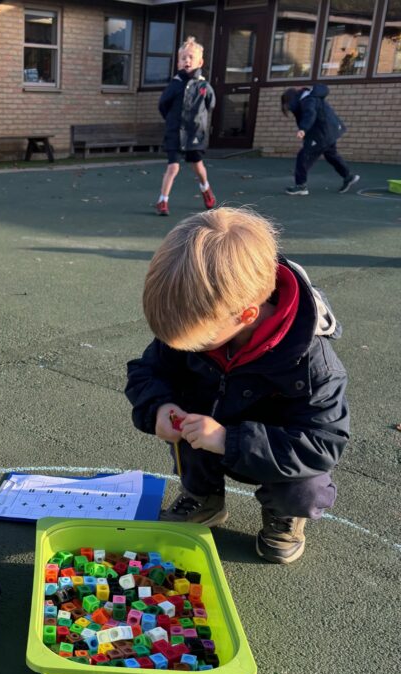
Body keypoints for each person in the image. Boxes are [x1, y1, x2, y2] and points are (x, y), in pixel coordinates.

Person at [125, 207, 349, 564]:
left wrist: (229, 440)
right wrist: (158, 406)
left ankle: (284, 515)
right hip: (209, 426)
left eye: (199, 343)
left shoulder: (313, 363)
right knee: (188, 422)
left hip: (275, 452)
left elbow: (322, 444)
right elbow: (147, 371)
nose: (191, 350)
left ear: (246, 315)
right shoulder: (203, 319)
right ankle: (204, 498)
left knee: (305, 484)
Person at [155, 36, 216, 216]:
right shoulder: (175, 84)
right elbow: (163, 105)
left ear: (200, 61)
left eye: (191, 57)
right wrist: (172, 121)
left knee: (197, 165)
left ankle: (206, 189)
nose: (187, 61)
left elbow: (210, 104)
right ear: (178, 62)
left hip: (195, 133)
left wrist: (198, 122)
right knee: (173, 167)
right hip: (175, 132)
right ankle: (162, 201)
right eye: (183, 58)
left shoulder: (204, 86)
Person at [281, 85, 359, 196]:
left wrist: (303, 129)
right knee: (331, 154)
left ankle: (301, 186)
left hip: (320, 134)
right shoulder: (311, 97)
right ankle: (348, 176)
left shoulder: (307, 101)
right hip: (330, 131)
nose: (288, 107)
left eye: (287, 104)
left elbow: (310, 114)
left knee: (303, 157)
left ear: (291, 99)